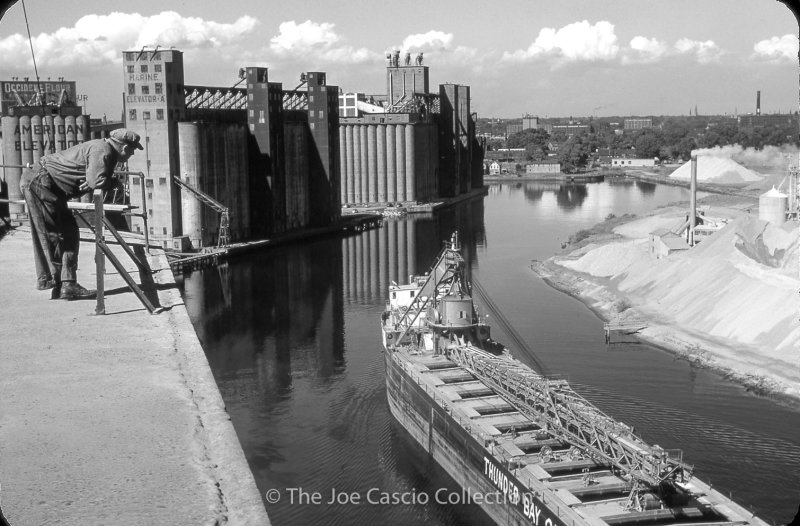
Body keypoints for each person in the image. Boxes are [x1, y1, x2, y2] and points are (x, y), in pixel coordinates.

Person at [19, 128, 143, 300]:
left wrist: (100, 180)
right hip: (41, 182)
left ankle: (67, 284)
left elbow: (94, 180)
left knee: (69, 232)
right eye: (133, 149)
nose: (133, 153)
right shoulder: (103, 150)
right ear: (124, 147)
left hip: (50, 186)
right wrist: (106, 181)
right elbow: (95, 181)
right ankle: (56, 282)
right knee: (54, 235)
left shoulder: (105, 151)